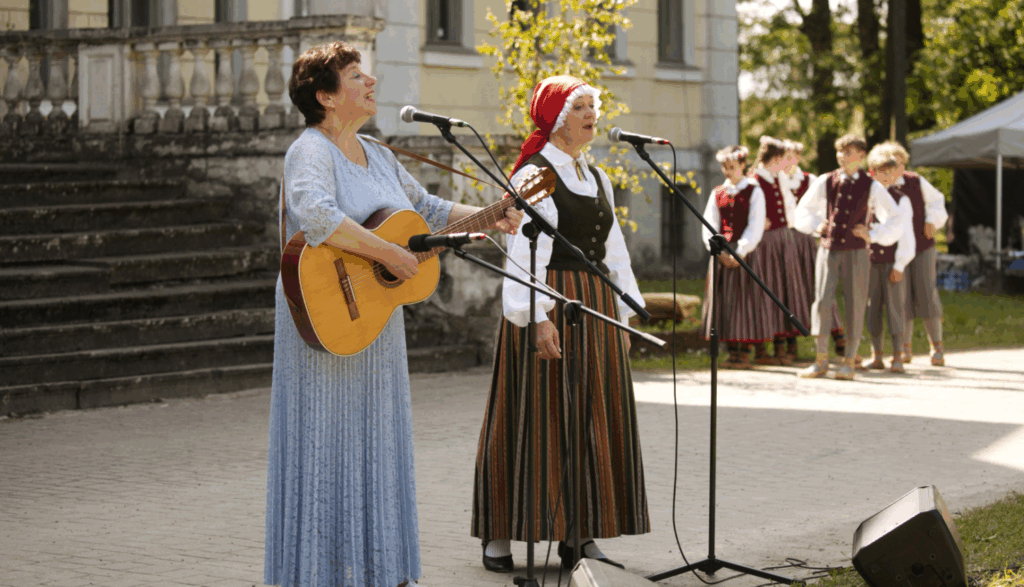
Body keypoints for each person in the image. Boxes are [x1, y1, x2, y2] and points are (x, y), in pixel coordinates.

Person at [265, 41, 522, 587]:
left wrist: (493, 213)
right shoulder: (309, 150)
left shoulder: (378, 153)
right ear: (326, 97)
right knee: (326, 446)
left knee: (377, 443)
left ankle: (379, 573)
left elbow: (425, 211)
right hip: (324, 318)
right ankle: (320, 575)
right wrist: (387, 253)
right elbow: (315, 216)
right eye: (356, 76)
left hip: (375, 325)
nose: (371, 82)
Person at [471, 75, 648, 573]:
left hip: (591, 307)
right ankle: (500, 536)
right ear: (555, 117)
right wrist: (536, 317)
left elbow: (614, 252)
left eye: (594, 105)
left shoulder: (595, 176)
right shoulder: (534, 174)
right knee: (530, 416)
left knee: (590, 416)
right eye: (581, 107)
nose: (592, 113)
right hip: (548, 303)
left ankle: (581, 532)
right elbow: (523, 256)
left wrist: (625, 313)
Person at [792, 134, 905, 380]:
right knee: (821, 302)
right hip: (828, 248)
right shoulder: (826, 180)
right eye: (840, 152)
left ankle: (849, 362)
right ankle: (820, 361)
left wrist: (872, 233)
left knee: (855, 303)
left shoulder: (872, 185)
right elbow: (803, 209)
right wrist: (815, 226)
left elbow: (895, 219)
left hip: (856, 252)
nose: (842, 156)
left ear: (861, 156)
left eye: (848, 152)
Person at [877, 141, 949, 366]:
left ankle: (936, 345)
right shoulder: (880, 187)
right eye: (890, 161)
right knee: (901, 296)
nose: (895, 165)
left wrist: (931, 221)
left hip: (922, 246)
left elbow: (938, 201)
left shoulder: (915, 181)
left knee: (927, 292)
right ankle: (905, 348)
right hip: (894, 251)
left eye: (898, 161)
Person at [700, 145, 772, 368]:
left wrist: (740, 251)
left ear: (743, 165)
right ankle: (732, 350)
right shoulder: (717, 192)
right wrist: (719, 251)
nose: (727, 171)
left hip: (745, 253)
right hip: (722, 253)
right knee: (727, 302)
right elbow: (710, 224)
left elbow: (755, 224)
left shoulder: (754, 191)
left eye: (732, 166)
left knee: (747, 301)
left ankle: (746, 350)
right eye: (724, 167)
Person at [779, 140, 847, 362]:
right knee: (787, 291)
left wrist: (818, 227)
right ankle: (790, 344)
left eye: (791, 156)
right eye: (783, 157)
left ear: (798, 157)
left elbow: (823, 209)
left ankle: (838, 335)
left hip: (805, 240)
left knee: (816, 288)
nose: (787, 161)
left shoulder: (810, 180)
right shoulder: (773, 180)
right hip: (782, 243)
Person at [749, 136, 811, 366]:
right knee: (767, 292)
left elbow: (789, 206)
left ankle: (785, 346)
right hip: (764, 243)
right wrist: (757, 222)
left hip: (783, 240)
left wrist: (795, 230)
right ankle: (763, 347)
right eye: (781, 158)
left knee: (786, 292)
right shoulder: (755, 179)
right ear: (773, 158)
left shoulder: (779, 178)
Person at [863, 147, 916, 373]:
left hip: (891, 261)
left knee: (895, 308)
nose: (887, 178)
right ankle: (876, 354)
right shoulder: (865, 197)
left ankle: (897, 354)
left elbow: (906, 235)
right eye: (882, 173)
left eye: (890, 173)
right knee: (871, 308)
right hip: (868, 262)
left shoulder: (900, 200)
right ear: (872, 173)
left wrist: (900, 264)